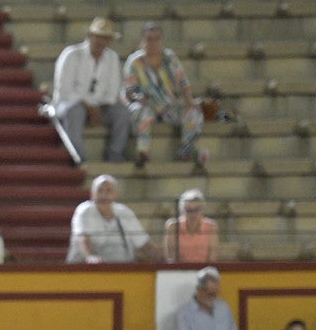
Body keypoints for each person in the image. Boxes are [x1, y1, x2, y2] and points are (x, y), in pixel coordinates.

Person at [123, 23, 205, 166]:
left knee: (195, 112)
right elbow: (129, 89)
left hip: (169, 105)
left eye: (157, 39)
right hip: (147, 104)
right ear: (142, 41)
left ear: (161, 41)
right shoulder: (134, 62)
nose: (153, 43)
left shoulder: (170, 57)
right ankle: (143, 153)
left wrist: (190, 100)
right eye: (149, 39)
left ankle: (185, 151)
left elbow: (183, 81)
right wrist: (137, 97)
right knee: (142, 113)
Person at [51, 17, 130, 164]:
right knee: (73, 111)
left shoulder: (112, 58)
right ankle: (78, 158)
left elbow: (112, 92)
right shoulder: (71, 54)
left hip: (100, 107)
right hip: (72, 104)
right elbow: (64, 90)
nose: (101, 41)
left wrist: (97, 108)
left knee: (122, 113)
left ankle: (115, 156)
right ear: (89, 36)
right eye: (98, 37)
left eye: (105, 38)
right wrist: (88, 106)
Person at [67, 174, 159, 263]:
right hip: (87, 269)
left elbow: (144, 244)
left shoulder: (125, 213)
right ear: (92, 194)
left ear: (116, 194)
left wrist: (162, 259)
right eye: (100, 190)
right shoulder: (84, 210)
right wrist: (90, 257)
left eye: (108, 191)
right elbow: (83, 238)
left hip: (123, 269)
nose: (104, 195)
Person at [175, 267, 244, 330]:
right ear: (199, 290)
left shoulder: (223, 307)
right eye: (210, 294)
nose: (214, 298)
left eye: (216, 293)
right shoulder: (184, 313)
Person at [164, 188, 219, 263]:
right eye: (189, 210)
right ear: (182, 211)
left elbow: (212, 258)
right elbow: (171, 258)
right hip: (179, 271)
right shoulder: (173, 226)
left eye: (197, 209)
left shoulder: (211, 226)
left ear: (203, 209)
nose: (193, 214)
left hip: (204, 270)